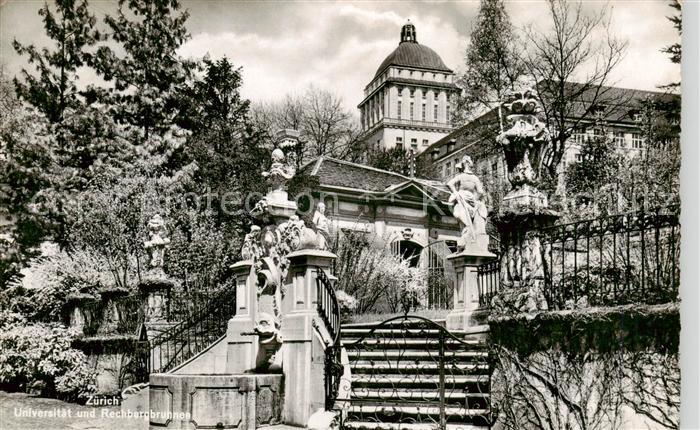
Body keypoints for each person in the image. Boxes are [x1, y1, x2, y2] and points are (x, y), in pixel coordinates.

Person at [446, 155, 488, 244]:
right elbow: (480, 191)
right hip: (471, 199)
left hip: (461, 198)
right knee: (465, 218)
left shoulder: (461, 176)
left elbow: (449, 183)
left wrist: (456, 193)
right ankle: (467, 233)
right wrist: (475, 200)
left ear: (464, 165)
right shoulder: (475, 178)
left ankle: (466, 234)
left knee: (458, 214)